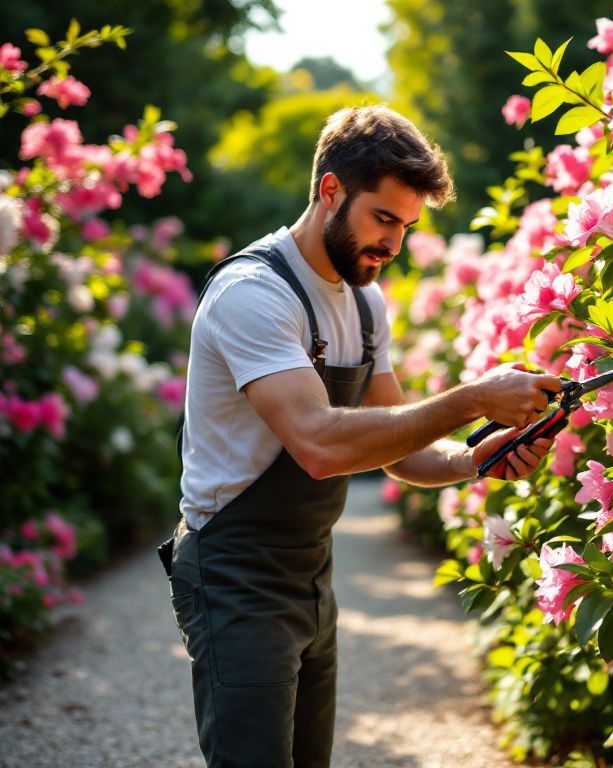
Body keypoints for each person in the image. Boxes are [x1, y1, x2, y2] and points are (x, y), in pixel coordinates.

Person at [164, 105, 561, 768]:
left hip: (312, 573)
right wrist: (472, 397)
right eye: (384, 218)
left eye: (407, 226)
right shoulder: (253, 293)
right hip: (232, 573)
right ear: (330, 191)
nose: (395, 244)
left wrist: (471, 458)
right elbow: (320, 444)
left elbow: (401, 448)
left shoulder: (364, 302)